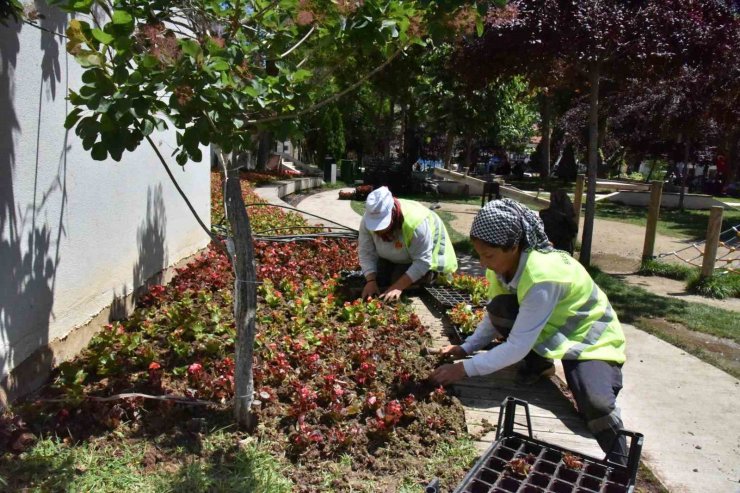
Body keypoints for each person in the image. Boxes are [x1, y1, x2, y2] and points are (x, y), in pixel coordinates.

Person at [430, 199, 628, 461]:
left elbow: (516, 347)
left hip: (592, 340)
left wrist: (462, 369)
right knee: (502, 306)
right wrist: (466, 348)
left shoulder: (542, 275)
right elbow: (495, 317)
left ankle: (621, 460)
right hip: (551, 333)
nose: (483, 262)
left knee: (595, 404)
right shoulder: (502, 268)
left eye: (488, 255)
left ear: (514, 246)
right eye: (479, 254)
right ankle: (539, 364)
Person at [359, 186, 458, 301]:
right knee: (379, 280)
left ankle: (432, 276)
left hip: (424, 258)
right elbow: (365, 251)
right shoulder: (367, 219)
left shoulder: (416, 223)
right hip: (398, 255)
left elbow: (422, 262)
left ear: (392, 212)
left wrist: (397, 287)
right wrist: (371, 281)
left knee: (396, 281)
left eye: (382, 225)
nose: (379, 231)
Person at [538, 190, 578, 254]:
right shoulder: (545, 214)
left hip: (556, 246)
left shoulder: (544, 214)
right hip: (557, 246)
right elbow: (574, 230)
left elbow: (574, 230)